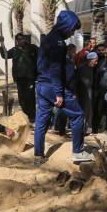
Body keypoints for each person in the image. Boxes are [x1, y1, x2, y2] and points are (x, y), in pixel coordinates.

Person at [35, 10, 92, 165]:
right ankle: (78, 152)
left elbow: (41, 64)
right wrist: (59, 93)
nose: (72, 33)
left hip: (41, 85)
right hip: (53, 87)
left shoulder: (47, 39)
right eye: (72, 29)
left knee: (41, 120)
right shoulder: (59, 43)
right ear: (65, 26)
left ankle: (38, 156)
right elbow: (55, 69)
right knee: (78, 115)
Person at [0, 33, 38, 122]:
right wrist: (2, 44)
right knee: (22, 97)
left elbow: (40, 56)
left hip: (30, 78)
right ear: (16, 41)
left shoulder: (32, 48)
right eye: (19, 39)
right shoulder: (14, 50)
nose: (21, 40)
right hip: (19, 78)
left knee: (30, 97)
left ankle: (32, 116)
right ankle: (25, 115)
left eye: (22, 38)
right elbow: (5, 55)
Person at [77, 51, 99, 134]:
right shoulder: (81, 68)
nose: (96, 63)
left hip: (89, 92)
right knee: (83, 111)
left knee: (88, 110)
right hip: (82, 93)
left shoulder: (91, 68)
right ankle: (81, 129)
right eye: (95, 61)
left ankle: (86, 129)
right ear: (90, 60)